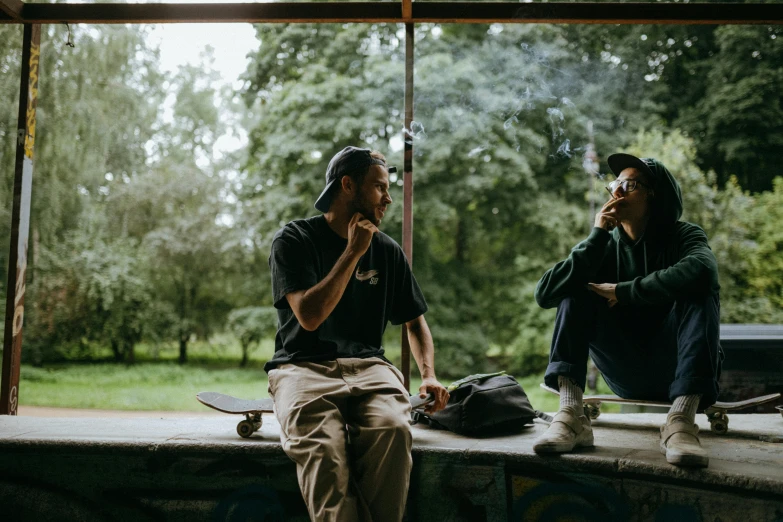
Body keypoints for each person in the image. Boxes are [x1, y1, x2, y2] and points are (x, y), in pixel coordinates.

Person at [265, 146, 450, 521]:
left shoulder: (387, 250)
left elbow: (414, 321)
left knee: (395, 431)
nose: (388, 197)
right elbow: (310, 317)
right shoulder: (294, 239)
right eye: (380, 187)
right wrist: (352, 253)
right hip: (303, 368)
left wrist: (428, 375)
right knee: (323, 454)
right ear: (348, 185)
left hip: (370, 368)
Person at [532, 153, 722, 468]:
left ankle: (681, 424)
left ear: (654, 195)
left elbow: (703, 271)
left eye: (630, 184)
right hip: (623, 368)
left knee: (700, 288)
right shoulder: (602, 246)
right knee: (574, 288)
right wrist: (596, 238)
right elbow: (545, 293)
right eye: (615, 183)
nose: (617, 192)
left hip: (678, 366)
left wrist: (625, 292)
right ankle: (571, 417)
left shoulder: (684, 236)